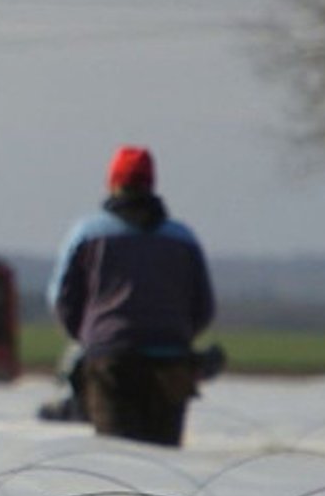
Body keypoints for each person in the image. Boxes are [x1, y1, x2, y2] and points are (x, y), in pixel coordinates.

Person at [46, 146, 216, 446]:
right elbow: (203, 306)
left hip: (110, 360)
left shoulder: (87, 234)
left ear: (113, 183)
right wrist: (178, 335)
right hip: (171, 363)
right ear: (151, 184)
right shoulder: (182, 238)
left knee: (120, 460)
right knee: (164, 462)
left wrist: (89, 337)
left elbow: (61, 298)